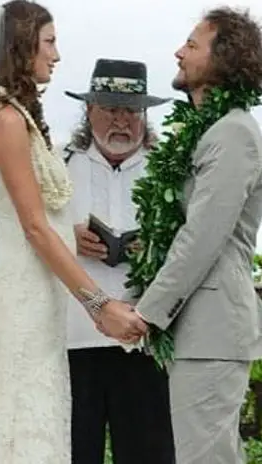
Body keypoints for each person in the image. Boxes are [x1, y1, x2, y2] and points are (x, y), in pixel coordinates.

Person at [0, 0, 147, 464]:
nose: (57, 55)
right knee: (16, 425)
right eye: (49, 42)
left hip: (40, 298)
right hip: (23, 293)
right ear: (22, 47)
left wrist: (73, 231)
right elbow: (35, 229)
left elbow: (44, 220)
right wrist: (99, 304)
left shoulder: (14, 115)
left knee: (37, 422)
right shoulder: (4, 119)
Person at [129, 7, 262, 464]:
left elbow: (203, 237)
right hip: (196, 329)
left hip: (213, 327)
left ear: (223, 60)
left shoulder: (234, 133)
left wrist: (147, 313)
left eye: (192, 45)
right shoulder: (209, 130)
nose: (179, 52)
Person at [63, 59, 175, 464]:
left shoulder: (170, 171)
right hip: (72, 339)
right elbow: (31, 233)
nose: (121, 121)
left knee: (151, 454)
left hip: (144, 338)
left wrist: (155, 245)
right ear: (89, 110)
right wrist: (68, 238)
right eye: (111, 109)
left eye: (131, 111)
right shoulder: (60, 165)